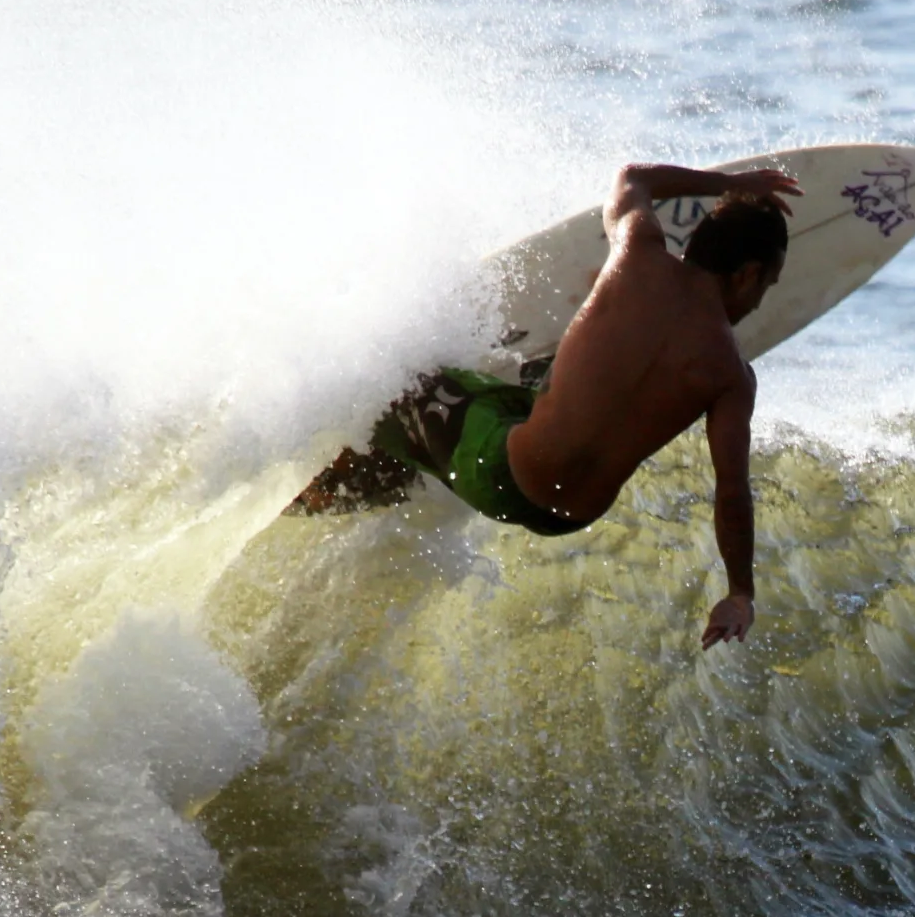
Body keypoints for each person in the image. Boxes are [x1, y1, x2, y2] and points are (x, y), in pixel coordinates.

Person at [287, 163, 799, 649]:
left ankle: (314, 493)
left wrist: (727, 182)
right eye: (770, 287)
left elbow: (632, 178)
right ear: (747, 274)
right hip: (567, 515)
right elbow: (733, 492)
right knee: (518, 400)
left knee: (401, 378)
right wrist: (739, 594)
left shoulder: (638, 255)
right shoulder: (732, 376)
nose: (759, 302)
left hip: (505, 475)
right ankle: (481, 413)